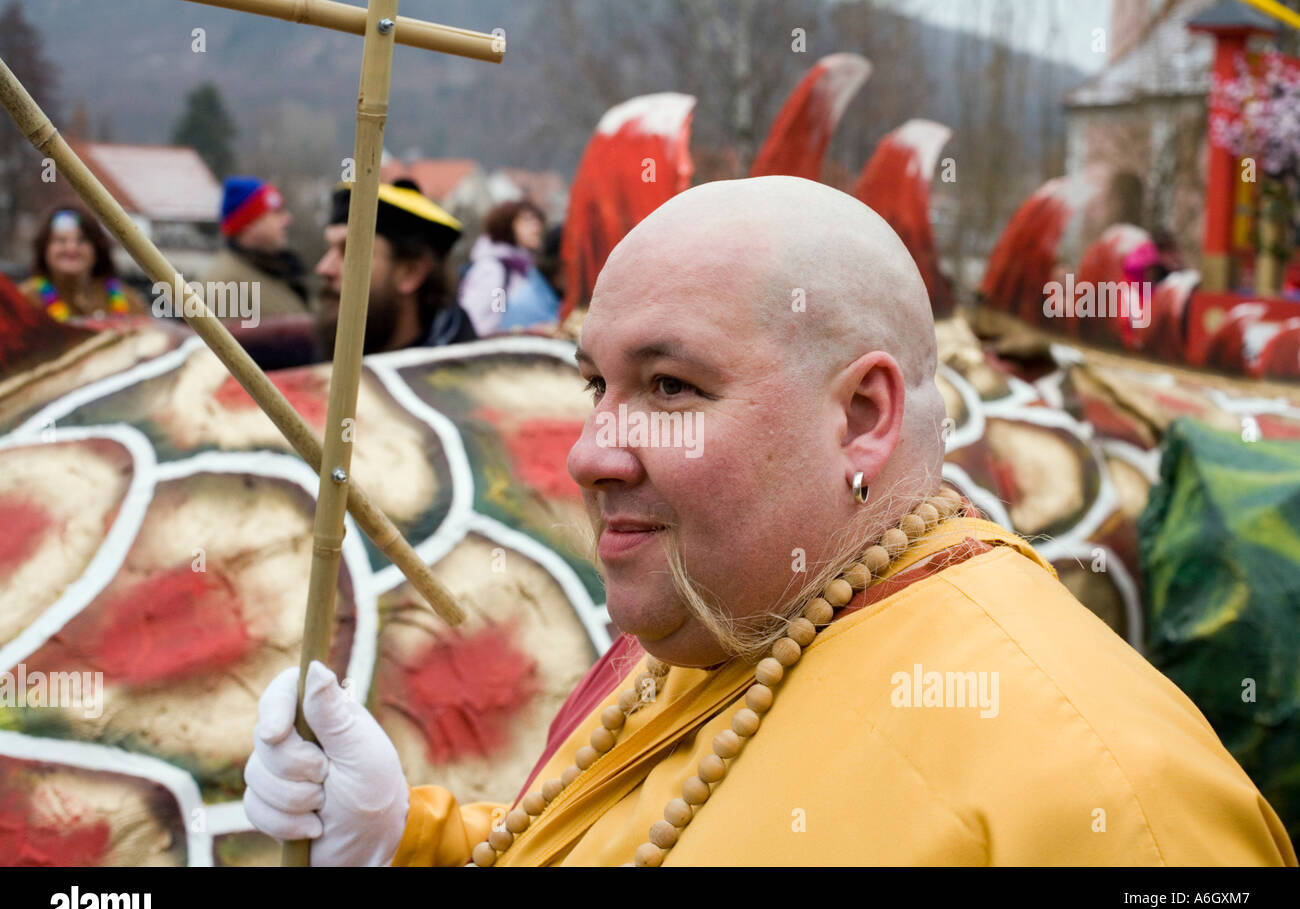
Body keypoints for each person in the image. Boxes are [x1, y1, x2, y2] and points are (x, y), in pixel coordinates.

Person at [244, 176, 1297, 867]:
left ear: (860, 416)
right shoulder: (727, 618)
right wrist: (406, 838)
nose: (589, 450)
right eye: (594, 383)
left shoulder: (1114, 802)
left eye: (669, 385)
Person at [315, 179, 476, 357]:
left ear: (410, 273)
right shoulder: (307, 359)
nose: (324, 268)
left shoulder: (471, 378)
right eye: (329, 249)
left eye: (350, 252)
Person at [205, 177, 310, 318]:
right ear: (248, 224)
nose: (287, 219)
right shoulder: (224, 286)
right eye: (276, 212)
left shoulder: (275, 269)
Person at [20, 205, 148, 321]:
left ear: (97, 249)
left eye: (82, 240)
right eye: (60, 240)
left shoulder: (129, 301)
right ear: (44, 249)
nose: (71, 248)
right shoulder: (23, 300)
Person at [458, 199, 560, 336]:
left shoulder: (518, 267)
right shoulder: (495, 269)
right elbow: (483, 319)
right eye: (526, 220)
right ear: (506, 225)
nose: (536, 226)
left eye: (537, 220)